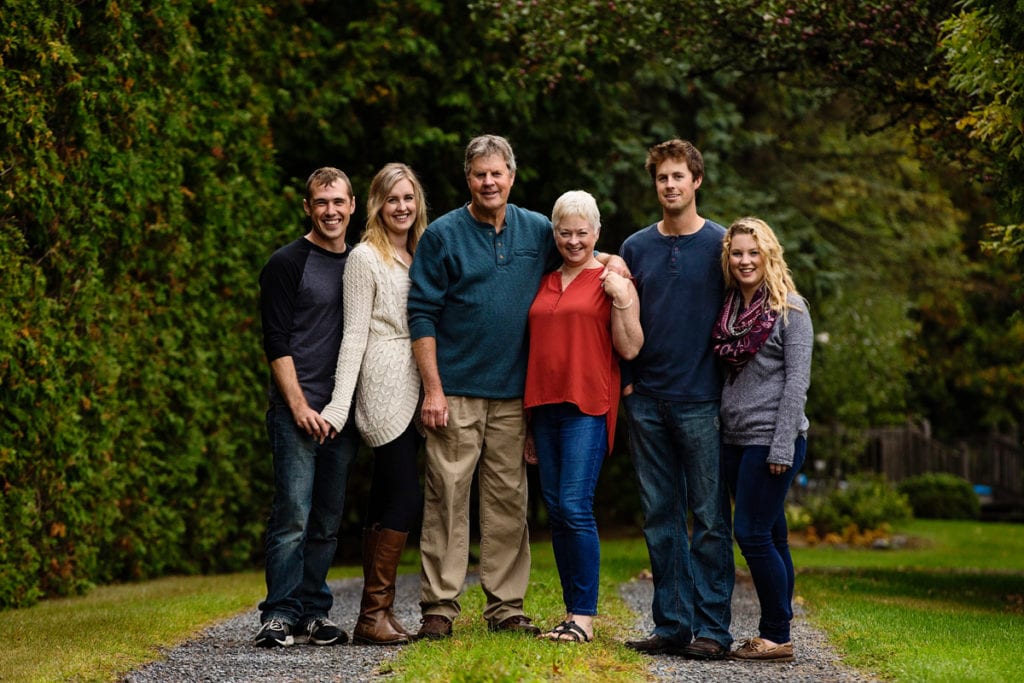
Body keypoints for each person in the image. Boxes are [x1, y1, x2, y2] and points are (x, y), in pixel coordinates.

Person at [407, 134, 627, 640]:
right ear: (469, 179)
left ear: (511, 176)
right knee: (447, 497)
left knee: (508, 503)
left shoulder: (537, 230)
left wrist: (614, 263)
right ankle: (440, 606)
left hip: (514, 396)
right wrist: (433, 389)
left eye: (497, 173)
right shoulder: (442, 235)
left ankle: (506, 607)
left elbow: (581, 248)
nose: (489, 182)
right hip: (457, 390)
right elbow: (421, 313)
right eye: (480, 174)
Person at [619, 139, 735, 660]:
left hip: (702, 401)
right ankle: (672, 626)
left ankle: (713, 629)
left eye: (678, 177)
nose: (670, 185)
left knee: (709, 519)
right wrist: (626, 380)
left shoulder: (721, 246)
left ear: (697, 181)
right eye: (662, 178)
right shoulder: (635, 248)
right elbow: (618, 317)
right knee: (660, 517)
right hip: (645, 400)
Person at [523, 190, 643, 644]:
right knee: (557, 512)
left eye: (582, 232)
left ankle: (584, 618)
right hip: (543, 408)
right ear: (555, 233)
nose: (574, 241)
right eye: (565, 232)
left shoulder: (611, 280)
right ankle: (571, 613)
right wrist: (530, 426)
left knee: (575, 508)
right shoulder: (544, 278)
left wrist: (622, 297)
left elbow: (631, 348)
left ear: (597, 232)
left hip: (587, 406)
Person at [320, 163, 428, 646]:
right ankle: (372, 611)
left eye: (408, 198)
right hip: (384, 382)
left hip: (418, 378)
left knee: (388, 495)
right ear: (377, 205)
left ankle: (375, 613)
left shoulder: (419, 252)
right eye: (392, 199)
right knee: (403, 495)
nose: (401, 207)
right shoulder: (366, 258)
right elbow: (353, 335)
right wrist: (339, 407)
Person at [255, 167, 359, 648]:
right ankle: (278, 614)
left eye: (338, 202)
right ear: (308, 207)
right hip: (296, 414)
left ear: (353, 205)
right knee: (292, 516)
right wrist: (298, 407)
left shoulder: (362, 263)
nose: (331, 211)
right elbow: (276, 343)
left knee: (325, 522)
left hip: (341, 414)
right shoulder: (286, 263)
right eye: (321, 202)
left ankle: (315, 613)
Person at [712, 217, 812, 663]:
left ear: (769, 254)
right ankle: (780, 627)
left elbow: (796, 384)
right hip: (732, 438)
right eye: (737, 253)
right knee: (774, 536)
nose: (745, 260)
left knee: (751, 533)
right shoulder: (729, 308)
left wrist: (781, 446)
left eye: (754, 252)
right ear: (728, 258)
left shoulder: (791, 310)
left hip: (771, 439)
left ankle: (775, 634)